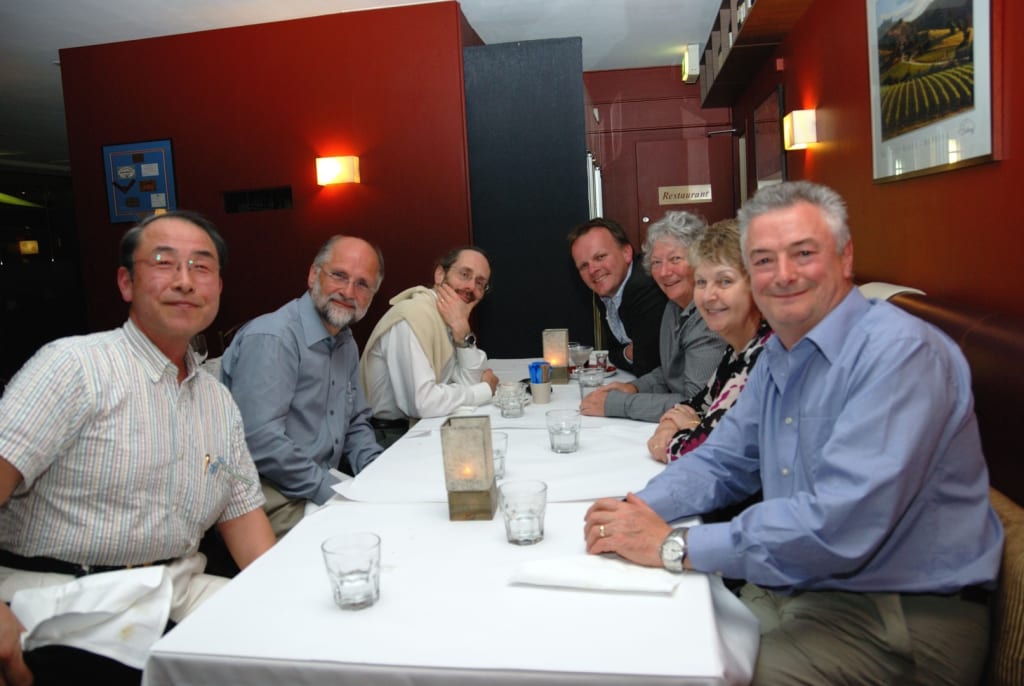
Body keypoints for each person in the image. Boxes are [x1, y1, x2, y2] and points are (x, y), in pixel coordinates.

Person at [583, 181, 1003, 685]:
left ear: (845, 258)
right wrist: (641, 508)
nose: (781, 276)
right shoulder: (783, 353)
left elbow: (839, 524)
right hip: (796, 585)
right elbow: (725, 460)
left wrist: (674, 545)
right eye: (762, 260)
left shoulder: (901, 355)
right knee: (629, 641)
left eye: (802, 254)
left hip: (896, 620)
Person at [0, 211, 275, 685]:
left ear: (219, 289)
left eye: (201, 267)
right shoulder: (74, 367)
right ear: (126, 282)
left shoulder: (217, 401)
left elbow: (246, 524)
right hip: (68, 600)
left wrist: (291, 599)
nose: (185, 281)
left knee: (303, 647)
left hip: (174, 588)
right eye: (164, 263)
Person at [221, 235, 384, 537]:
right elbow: (261, 442)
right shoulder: (274, 338)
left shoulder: (344, 341)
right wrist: (335, 491)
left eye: (362, 284)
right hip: (266, 498)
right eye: (339, 276)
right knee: (368, 542)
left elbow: (356, 423)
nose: (348, 291)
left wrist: (379, 476)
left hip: (315, 483)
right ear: (313, 275)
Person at [645, 218, 772, 461]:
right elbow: (698, 402)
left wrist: (681, 431)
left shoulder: (766, 355)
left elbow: (704, 452)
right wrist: (685, 422)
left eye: (724, 281)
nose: (708, 296)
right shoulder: (737, 351)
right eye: (702, 282)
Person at [579, 212, 725, 422]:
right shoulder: (674, 307)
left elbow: (697, 402)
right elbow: (670, 372)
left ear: (700, 259)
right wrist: (633, 387)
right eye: (656, 262)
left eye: (675, 259)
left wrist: (616, 404)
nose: (665, 272)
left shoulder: (712, 315)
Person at [360, 247, 499, 446]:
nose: (470, 286)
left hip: (422, 429)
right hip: (388, 440)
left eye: (480, 283)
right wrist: (484, 390)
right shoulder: (413, 315)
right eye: (464, 274)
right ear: (440, 274)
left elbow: (468, 383)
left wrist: (463, 336)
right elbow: (423, 403)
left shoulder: (450, 318)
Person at [568, 218, 666, 377]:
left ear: (626, 253)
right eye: (584, 266)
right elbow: (613, 351)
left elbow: (647, 366)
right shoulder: (607, 290)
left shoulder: (646, 286)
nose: (593, 270)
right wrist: (628, 353)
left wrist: (625, 354)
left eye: (600, 257)